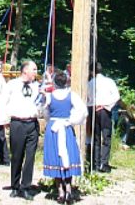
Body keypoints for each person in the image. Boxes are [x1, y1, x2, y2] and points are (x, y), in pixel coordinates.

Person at [0, 59, 40, 201]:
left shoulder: (37, 86)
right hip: (17, 123)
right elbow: (2, 102)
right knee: (16, 156)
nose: (36, 72)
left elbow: (41, 103)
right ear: (25, 71)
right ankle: (15, 185)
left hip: (32, 124)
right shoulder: (12, 85)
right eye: (34, 70)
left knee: (30, 157)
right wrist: (4, 121)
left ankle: (26, 187)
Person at [43, 69, 87, 203]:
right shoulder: (71, 95)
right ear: (66, 82)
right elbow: (83, 111)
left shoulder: (49, 96)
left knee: (56, 157)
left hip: (54, 128)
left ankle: (60, 192)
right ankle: (68, 189)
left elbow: (45, 112)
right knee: (66, 156)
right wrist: (71, 121)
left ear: (54, 82)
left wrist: (50, 119)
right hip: (66, 127)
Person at [87, 62, 120, 173]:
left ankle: (96, 164)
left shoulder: (90, 83)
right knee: (106, 137)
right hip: (105, 110)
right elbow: (116, 97)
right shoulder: (109, 81)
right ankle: (104, 163)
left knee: (95, 137)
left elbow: (87, 98)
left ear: (92, 71)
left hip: (93, 109)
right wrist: (107, 105)